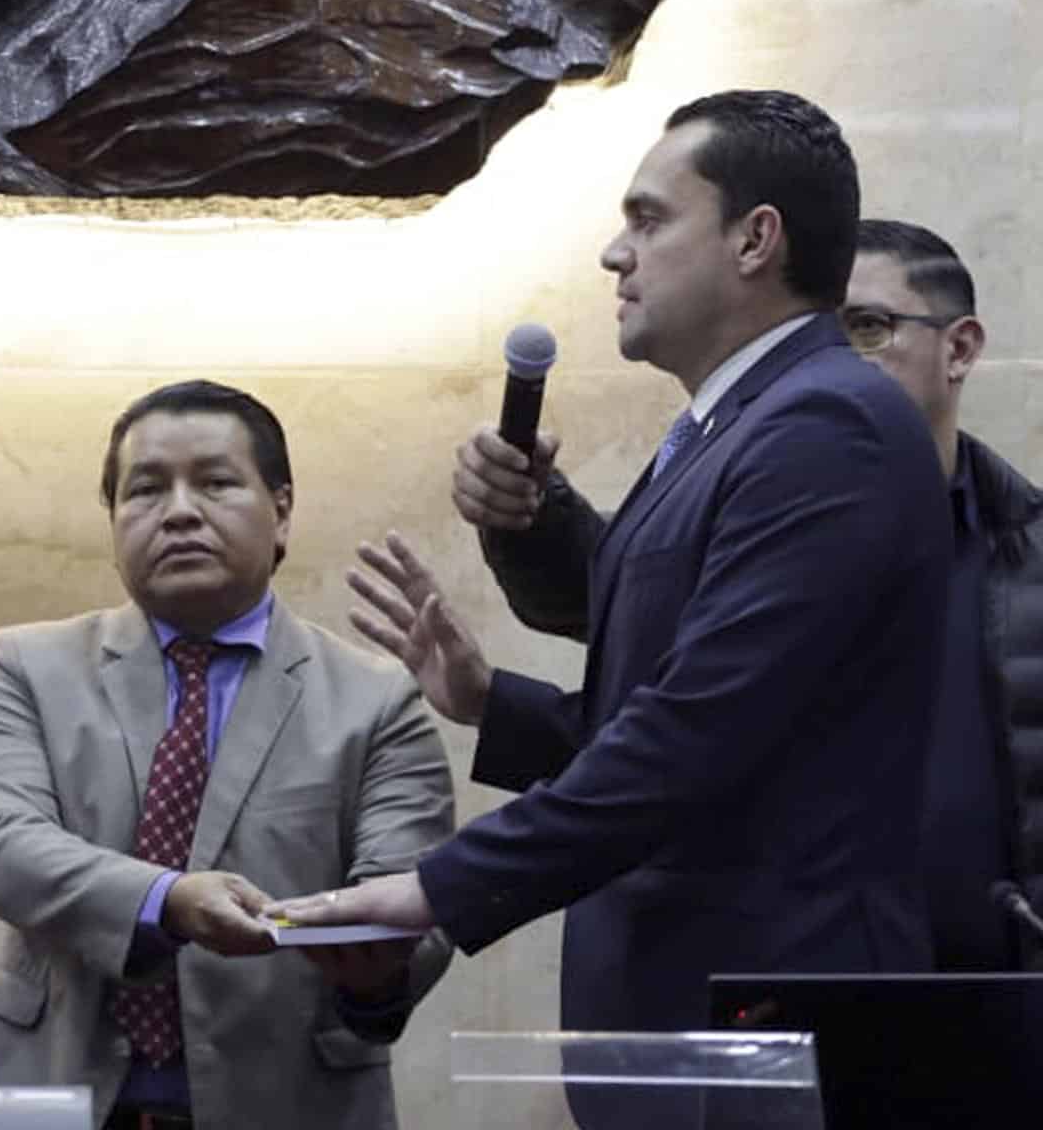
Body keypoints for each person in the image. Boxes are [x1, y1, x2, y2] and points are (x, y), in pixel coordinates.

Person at [273, 92, 951, 1040]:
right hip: (696, 1006)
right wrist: (492, 701)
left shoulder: (827, 426)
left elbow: (696, 735)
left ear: (755, 240)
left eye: (648, 217)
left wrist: (439, 887)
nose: (612, 252)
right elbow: (681, 690)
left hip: (772, 1011)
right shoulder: (734, 423)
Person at [436, 217, 1043, 971]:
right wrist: (500, 703)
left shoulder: (1023, 554)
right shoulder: (755, 528)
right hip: (803, 992)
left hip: (1005, 999)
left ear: (959, 349)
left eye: (865, 327)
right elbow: (696, 749)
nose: (827, 359)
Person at [0, 380, 454, 1130]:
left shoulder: (375, 699)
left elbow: (411, 896)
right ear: (114, 519)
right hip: (53, 1095)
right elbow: (1, 846)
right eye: (146, 490)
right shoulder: (28, 666)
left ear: (281, 511)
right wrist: (167, 902)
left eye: (216, 483)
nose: (180, 511)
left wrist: (378, 969)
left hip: (290, 1104)